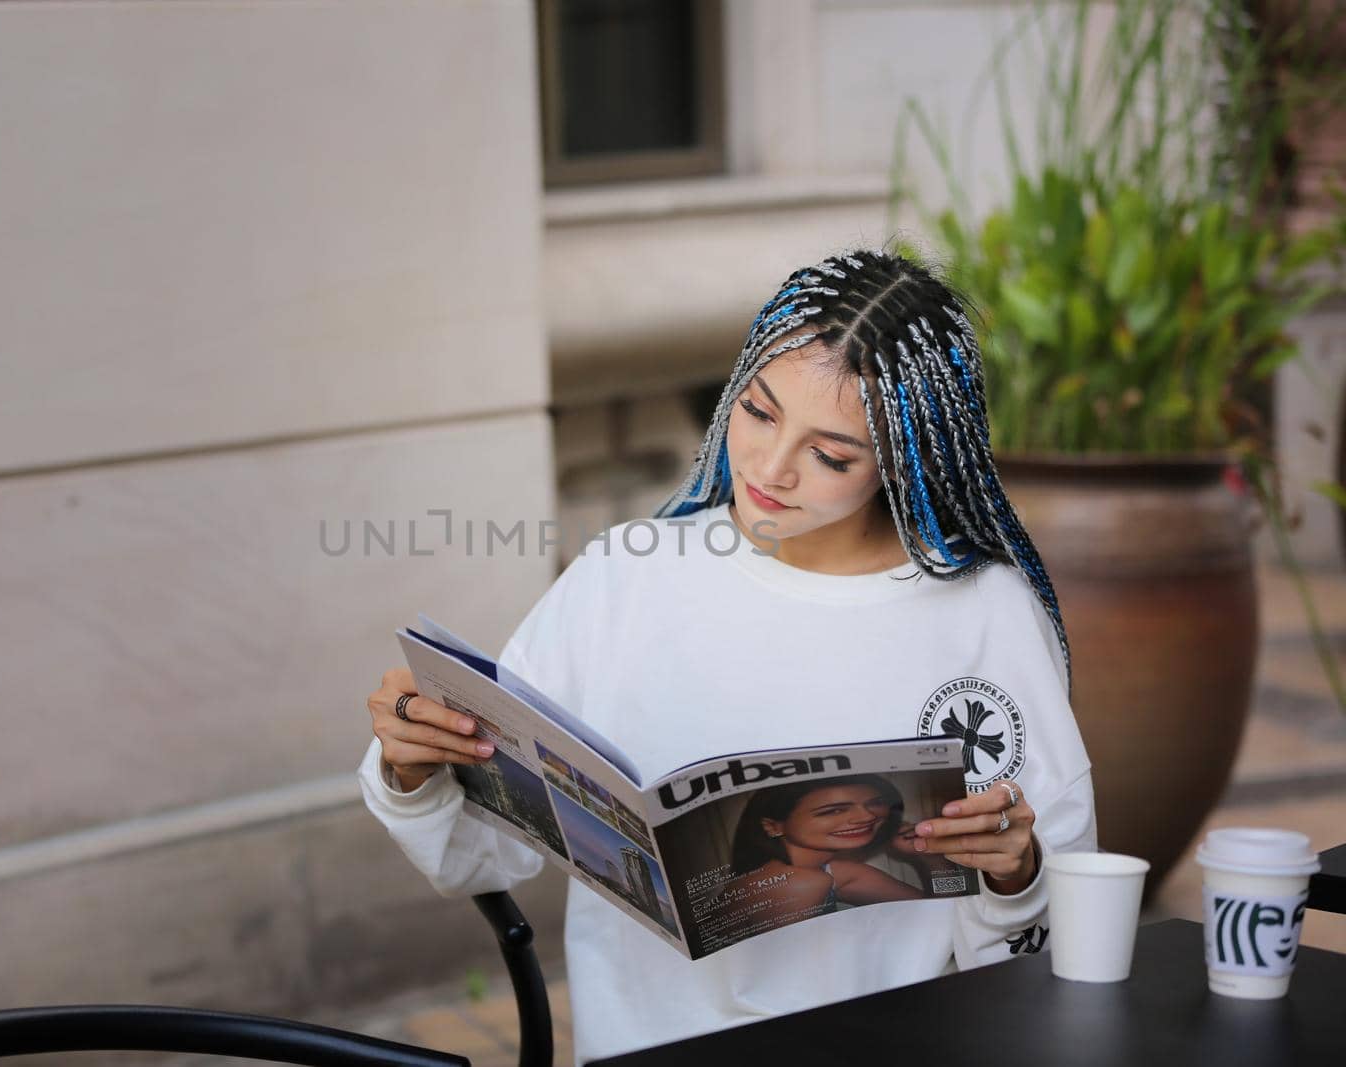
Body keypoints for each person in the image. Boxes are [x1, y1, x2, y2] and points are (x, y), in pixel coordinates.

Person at [359, 247, 1097, 1064]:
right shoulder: (626, 574)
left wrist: (1014, 870)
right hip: (646, 1043)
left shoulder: (984, 614)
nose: (770, 468)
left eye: (830, 455)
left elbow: (1061, 924)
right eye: (757, 410)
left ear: (902, 463)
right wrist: (417, 769)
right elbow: (482, 852)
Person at [714, 775, 924, 927]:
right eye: (835, 810)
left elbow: (941, 918)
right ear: (773, 826)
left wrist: (926, 854)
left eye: (875, 803)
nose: (867, 817)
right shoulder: (799, 883)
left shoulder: (834, 872)